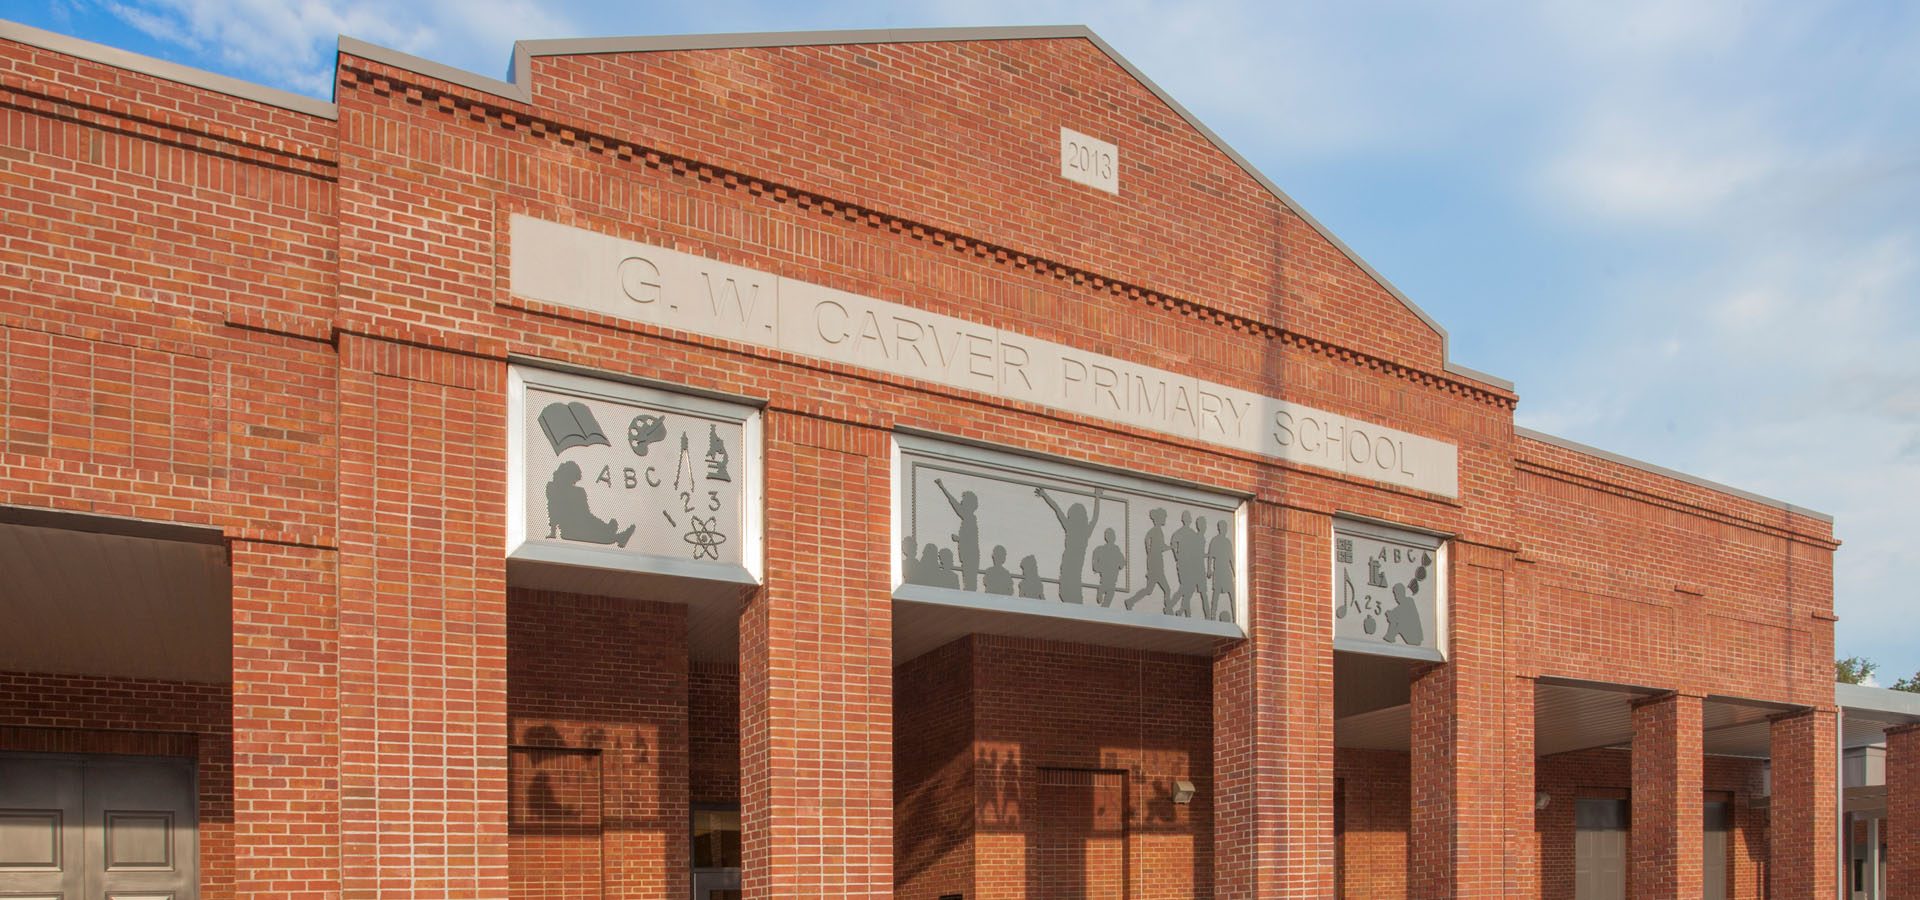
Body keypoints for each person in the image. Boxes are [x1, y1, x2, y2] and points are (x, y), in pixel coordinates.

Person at [545, 460, 636, 547]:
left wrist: (601, 525)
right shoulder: (554, 489)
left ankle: (608, 530)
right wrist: (553, 532)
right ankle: (618, 537)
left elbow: (586, 514)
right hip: (571, 530)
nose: (575, 481)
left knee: (595, 526)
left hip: (584, 523)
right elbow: (553, 510)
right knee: (600, 536)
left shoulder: (578, 491)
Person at [1036, 486, 1102, 604]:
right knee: (1074, 598)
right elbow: (1095, 517)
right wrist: (1097, 497)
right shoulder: (1085, 532)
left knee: (1069, 595)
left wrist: (1045, 495)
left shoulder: (1071, 528)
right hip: (1074, 570)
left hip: (1068, 568)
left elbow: (1057, 509)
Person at [934, 478, 982, 591]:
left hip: (970, 557)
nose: (961, 502)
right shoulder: (969, 520)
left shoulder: (970, 518)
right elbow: (970, 539)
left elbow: (955, 505)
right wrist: (959, 539)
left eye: (963, 500)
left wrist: (943, 488)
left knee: (970, 584)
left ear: (969, 504)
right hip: (968, 557)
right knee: (968, 582)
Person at [1126, 508, 1172, 611]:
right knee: (1166, 589)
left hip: (1155, 565)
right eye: (1164, 517)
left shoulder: (1156, 531)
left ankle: (1130, 601)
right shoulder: (1156, 531)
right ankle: (1168, 608)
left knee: (1149, 590)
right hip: (1156, 567)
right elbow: (1159, 547)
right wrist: (1170, 547)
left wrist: (1169, 547)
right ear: (1159, 518)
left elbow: (1153, 543)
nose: (1165, 519)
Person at [1169, 510, 1203, 617]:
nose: (1188, 519)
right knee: (1186, 587)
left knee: (1187, 588)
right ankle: (1171, 606)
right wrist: (1177, 556)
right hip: (1183, 564)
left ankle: (1185, 612)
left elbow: (1196, 550)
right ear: (1183, 519)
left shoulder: (1192, 533)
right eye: (1186, 517)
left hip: (1190, 564)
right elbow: (1173, 543)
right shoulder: (1180, 532)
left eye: (1189, 517)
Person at [1207, 518, 1235, 622]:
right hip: (1218, 570)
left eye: (1225, 527)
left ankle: (1235, 617)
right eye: (1223, 527)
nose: (1224, 529)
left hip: (1226, 571)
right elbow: (1210, 556)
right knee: (1216, 594)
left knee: (1232, 594)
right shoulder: (1215, 540)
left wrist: (1236, 573)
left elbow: (1231, 558)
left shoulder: (1228, 542)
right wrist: (1209, 569)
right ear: (1219, 528)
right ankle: (1212, 616)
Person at [1091, 528, 1126, 607]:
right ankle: (1101, 591)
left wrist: (1122, 563)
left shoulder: (1116, 550)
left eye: (1113, 535)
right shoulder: (1102, 549)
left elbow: (1121, 563)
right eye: (1110, 535)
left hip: (1113, 578)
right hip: (1106, 576)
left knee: (1109, 595)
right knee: (1106, 588)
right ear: (1106, 537)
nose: (1112, 537)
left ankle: (1103, 605)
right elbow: (1096, 564)